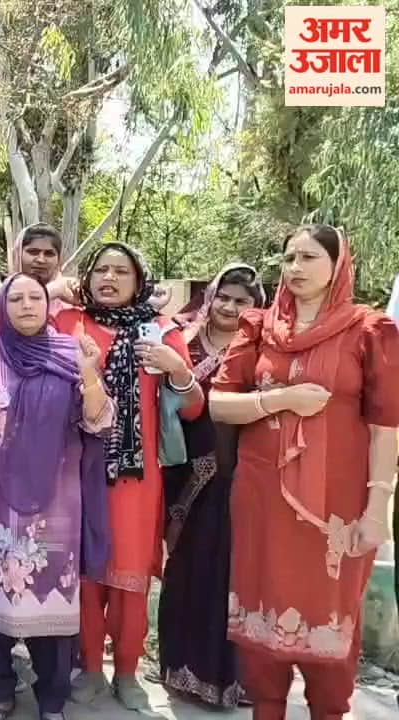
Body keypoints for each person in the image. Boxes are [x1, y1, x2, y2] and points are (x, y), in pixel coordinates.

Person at [209, 225, 399, 720]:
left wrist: (377, 509)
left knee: (332, 622)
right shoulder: (258, 327)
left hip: (337, 506)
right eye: (289, 257)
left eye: (309, 257)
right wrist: (281, 399)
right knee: (260, 628)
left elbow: (386, 428)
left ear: (337, 265)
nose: (295, 268)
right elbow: (219, 404)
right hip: (262, 500)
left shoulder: (368, 330)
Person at [0, 273, 112, 720]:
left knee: (50, 601)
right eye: (15, 298)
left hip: (54, 504)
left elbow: (99, 422)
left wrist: (89, 371)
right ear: (2, 306)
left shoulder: (70, 351)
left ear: (47, 303)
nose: (25, 305)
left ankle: (52, 701)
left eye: (34, 297)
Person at [55, 242, 204, 711]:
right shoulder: (66, 323)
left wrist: (176, 369)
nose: (109, 278)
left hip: (134, 477)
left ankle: (126, 670)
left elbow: (193, 407)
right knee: (85, 572)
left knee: (129, 572)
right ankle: (89, 667)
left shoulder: (160, 330)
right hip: (74, 467)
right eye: (101, 269)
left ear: (139, 281)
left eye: (121, 271)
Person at [156, 264, 264, 709]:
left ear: (256, 306)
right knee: (186, 570)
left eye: (242, 301)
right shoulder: (182, 339)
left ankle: (232, 678)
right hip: (185, 476)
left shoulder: (263, 347)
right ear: (210, 297)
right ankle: (178, 668)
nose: (230, 307)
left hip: (243, 475)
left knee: (234, 576)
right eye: (224, 297)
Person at [0, 224, 65, 335]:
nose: (41, 260)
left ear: (59, 259)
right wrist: (48, 293)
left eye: (49, 254)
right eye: (33, 252)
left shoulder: (69, 302)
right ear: (18, 254)